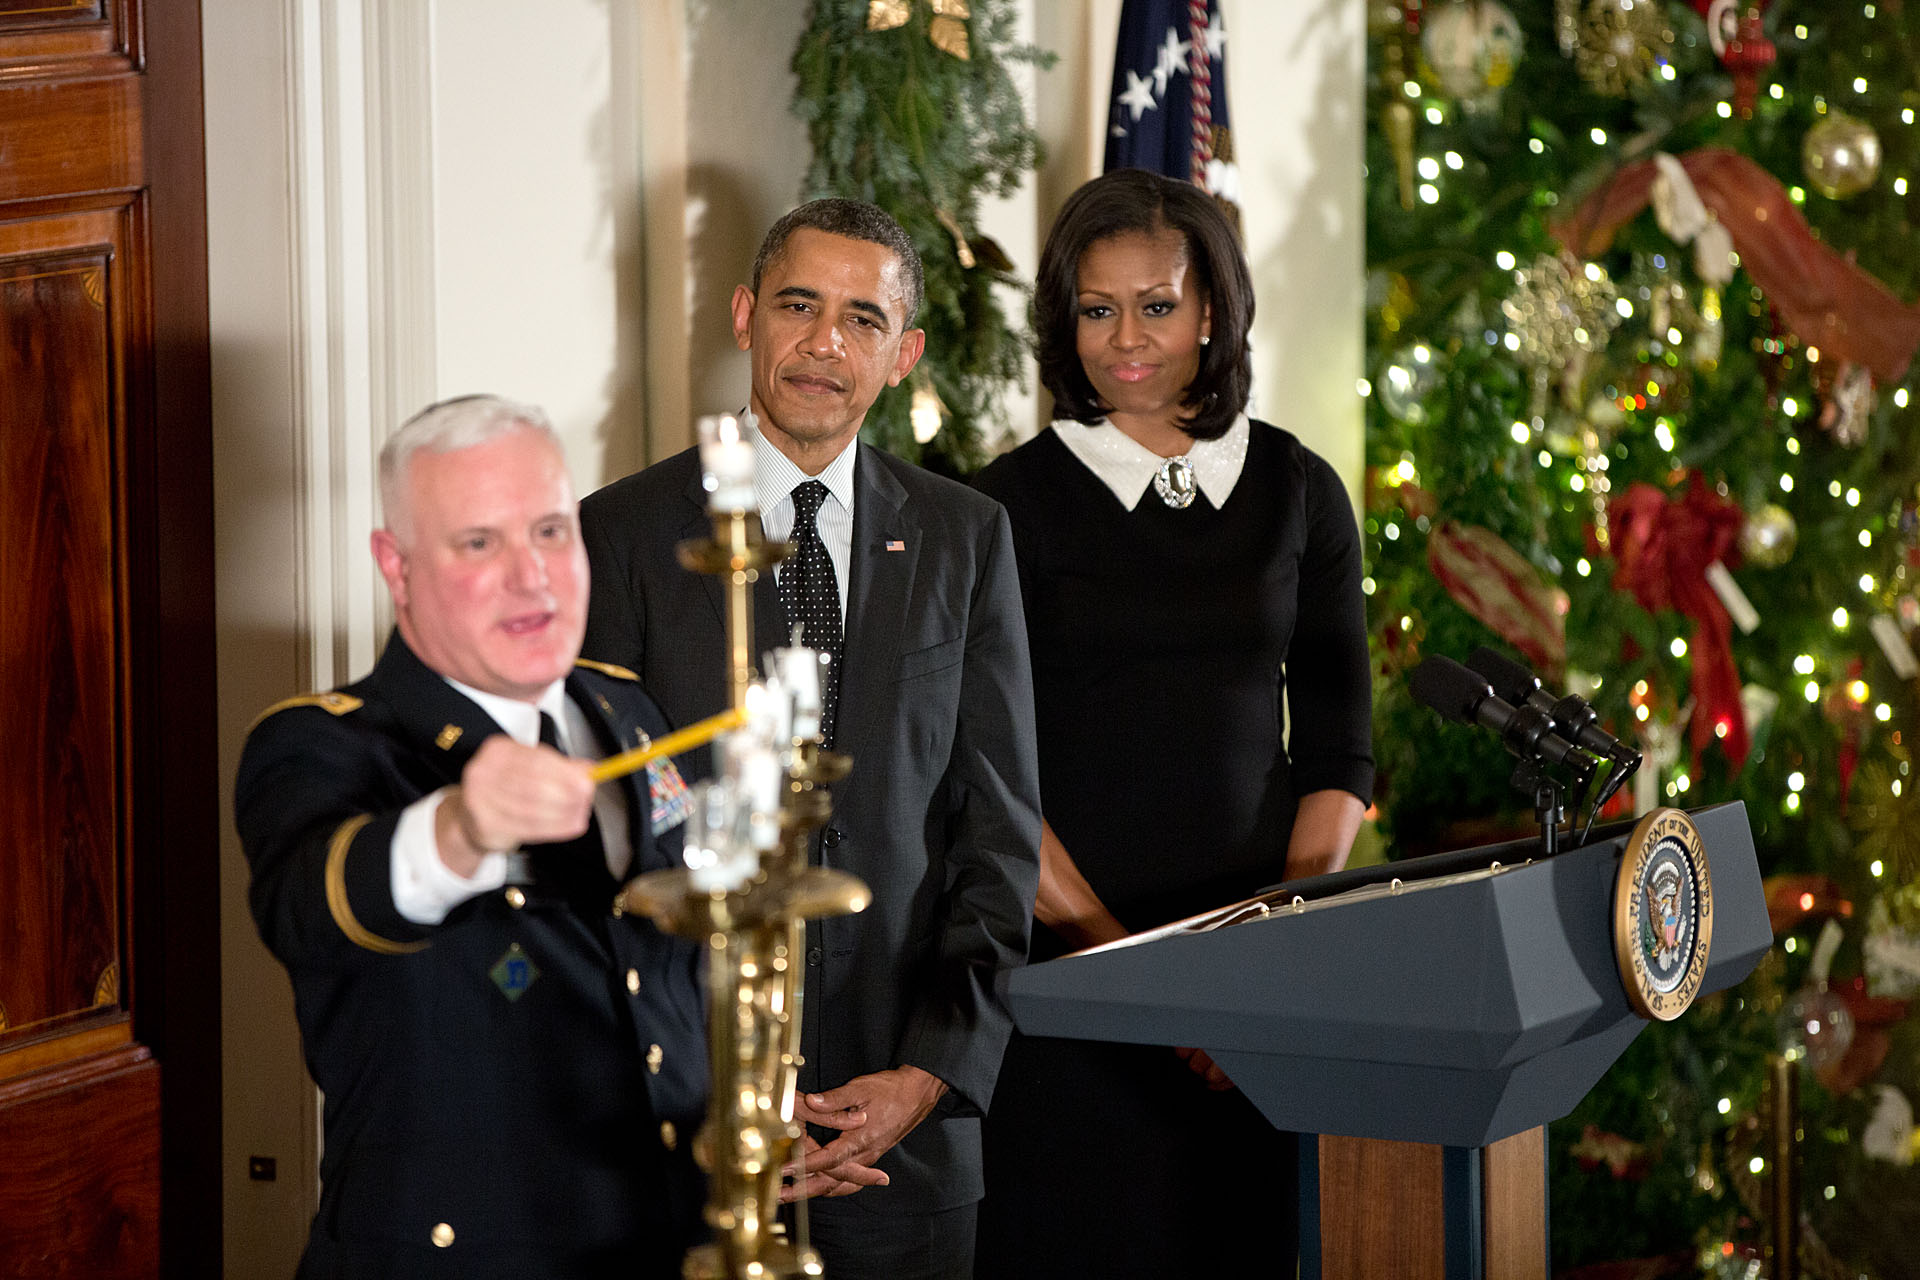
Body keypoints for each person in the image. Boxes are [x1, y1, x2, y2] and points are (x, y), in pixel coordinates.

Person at [579, 199, 1042, 1280]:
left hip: (905, 1149)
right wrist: (725, 1079)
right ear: (747, 316)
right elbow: (606, 839)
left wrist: (929, 1074)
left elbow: (997, 837)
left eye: (861, 318)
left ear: (904, 353)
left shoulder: (966, 538)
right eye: (799, 304)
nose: (825, 342)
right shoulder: (627, 534)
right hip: (689, 1134)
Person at [971, 168, 1376, 1277]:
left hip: (1257, 998)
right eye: (1096, 310)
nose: (1126, 339)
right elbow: (989, 777)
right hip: (1071, 986)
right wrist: (1128, 970)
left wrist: (1260, 948)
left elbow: (1341, 742)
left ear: (1213, 310)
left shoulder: (1299, 487)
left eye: (1157, 304)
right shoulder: (1003, 506)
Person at [235, 396, 707, 1278]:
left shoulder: (625, 709)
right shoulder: (323, 746)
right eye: (479, 544)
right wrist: (457, 830)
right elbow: (311, 903)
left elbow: (672, 967)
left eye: (550, 532)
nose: (532, 578)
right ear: (397, 565)